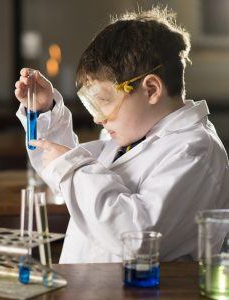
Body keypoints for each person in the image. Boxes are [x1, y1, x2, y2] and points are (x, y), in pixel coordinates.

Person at [14, 7, 229, 263]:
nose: (97, 117)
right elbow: (74, 183)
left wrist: (72, 167)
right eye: (91, 105)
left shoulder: (195, 152)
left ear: (151, 89)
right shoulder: (132, 136)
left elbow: (138, 237)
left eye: (103, 101)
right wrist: (45, 111)